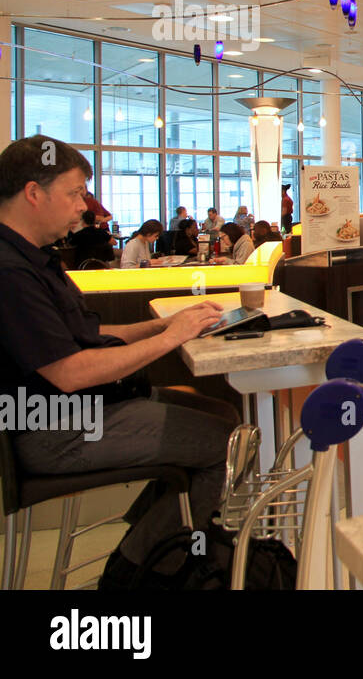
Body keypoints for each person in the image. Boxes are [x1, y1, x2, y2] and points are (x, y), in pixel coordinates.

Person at [0, 135, 234, 589]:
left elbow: (90, 338)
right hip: (58, 429)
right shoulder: (11, 273)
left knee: (222, 414)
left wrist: (167, 325)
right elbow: (70, 372)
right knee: (228, 442)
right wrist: (173, 340)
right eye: (73, 194)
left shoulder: (35, 260)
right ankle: (136, 572)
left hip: (77, 413)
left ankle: (151, 542)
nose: (83, 209)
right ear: (33, 192)